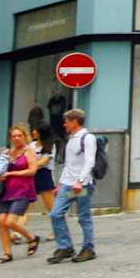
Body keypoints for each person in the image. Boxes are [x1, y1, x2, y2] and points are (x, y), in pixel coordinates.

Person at [47, 108, 97, 264]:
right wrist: (60, 184)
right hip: (68, 185)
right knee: (55, 214)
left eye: (67, 122)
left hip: (82, 187)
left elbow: (90, 161)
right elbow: (68, 165)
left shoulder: (88, 138)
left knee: (83, 217)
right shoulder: (71, 138)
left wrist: (80, 181)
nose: (64, 125)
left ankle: (88, 249)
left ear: (75, 121)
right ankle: (66, 247)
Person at [0, 125, 40, 264]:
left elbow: (32, 170)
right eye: (14, 136)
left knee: (10, 222)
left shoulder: (29, 151)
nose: (17, 138)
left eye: (19, 135)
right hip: (6, 191)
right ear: (10, 138)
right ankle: (7, 254)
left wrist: (12, 173)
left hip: (23, 191)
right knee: (2, 222)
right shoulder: (7, 153)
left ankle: (31, 238)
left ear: (25, 136)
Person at [30, 126, 57, 216]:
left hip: (44, 176)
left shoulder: (50, 146)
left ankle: (57, 225)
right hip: (31, 175)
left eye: (36, 130)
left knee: (51, 206)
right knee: (23, 204)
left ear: (41, 133)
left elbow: (43, 162)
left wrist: (30, 167)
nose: (33, 132)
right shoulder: (31, 145)